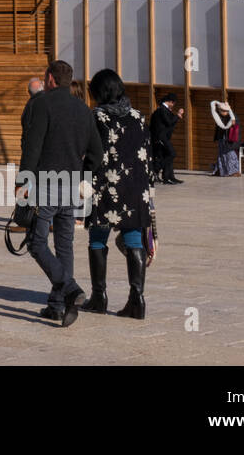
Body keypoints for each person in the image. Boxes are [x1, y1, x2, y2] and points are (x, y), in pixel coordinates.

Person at [20, 60, 102, 327]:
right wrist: (82, 174)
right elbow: (97, 153)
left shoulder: (42, 104)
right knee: (64, 245)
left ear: (51, 79)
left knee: (36, 243)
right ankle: (57, 305)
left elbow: (32, 147)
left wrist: (22, 181)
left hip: (46, 184)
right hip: (71, 186)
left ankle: (69, 288)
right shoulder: (83, 109)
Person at [84, 69, 156, 319]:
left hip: (106, 187)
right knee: (135, 241)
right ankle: (137, 299)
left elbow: (92, 154)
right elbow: (148, 155)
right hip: (136, 188)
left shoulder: (98, 117)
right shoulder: (138, 117)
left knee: (97, 239)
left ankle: (98, 297)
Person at [149, 94, 184, 185]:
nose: (173, 105)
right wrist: (178, 115)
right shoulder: (161, 110)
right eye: (173, 103)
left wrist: (176, 116)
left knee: (168, 156)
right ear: (170, 102)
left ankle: (168, 177)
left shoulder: (165, 110)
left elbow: (170, 122)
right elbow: (169, 122)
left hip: (165, 137)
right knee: (172, 154)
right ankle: (155, 169)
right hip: (160, 137)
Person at [210, 101, 240, 177]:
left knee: (230, 154)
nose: (221, 112)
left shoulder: (233, 116)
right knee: (221, 155)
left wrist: (233, 122)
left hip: (230, 140)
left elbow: (235, 124)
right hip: (222, 138)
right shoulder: (220, 117)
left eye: (222, 111)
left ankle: (234, 171)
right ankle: (221, 170)